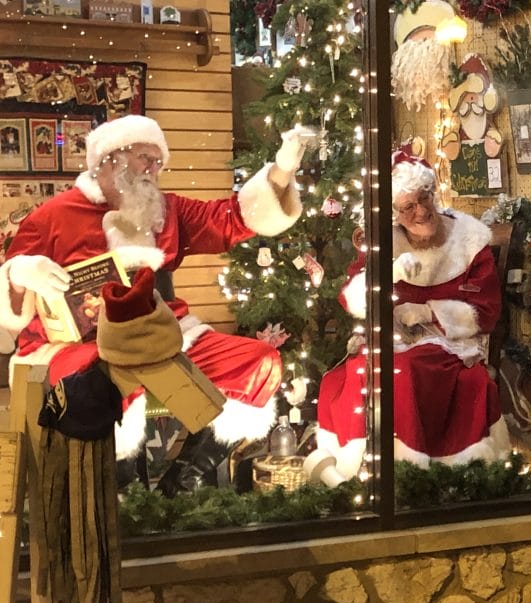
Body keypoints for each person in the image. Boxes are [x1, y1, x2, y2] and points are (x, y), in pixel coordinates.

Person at [0, 114, 315, 492]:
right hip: (79, 345)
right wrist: (21, 272)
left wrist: (281, 170)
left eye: (158, 162)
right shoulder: (51, 216)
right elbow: (11, 292)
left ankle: (183, 480)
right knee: (94, 382)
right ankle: (116, 486)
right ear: (110, 159)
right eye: (144, 158)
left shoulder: (167, 211)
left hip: (163, 335)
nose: (153, 169)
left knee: (259, 362)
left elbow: (231, 218)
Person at [315, 149, 510, 479]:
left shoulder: (469, 239)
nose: (421, 211)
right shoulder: (384, 241)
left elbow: (487, 311)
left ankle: (408, 472)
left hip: (447, 347)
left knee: (402, 371)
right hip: (391, 340)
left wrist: (427, 313)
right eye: (408, 207)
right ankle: (359, 471)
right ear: (394, 213)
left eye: (424, 199)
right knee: (353, 373)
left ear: (433, 194)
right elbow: (351, 299)